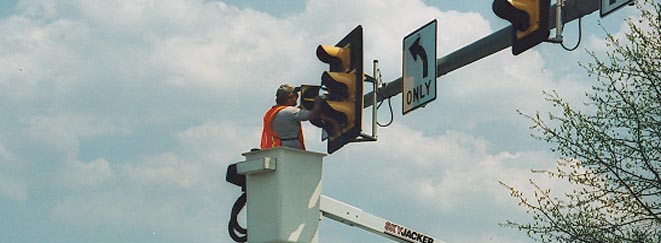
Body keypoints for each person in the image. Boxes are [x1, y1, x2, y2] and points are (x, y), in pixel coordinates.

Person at [260, 84, 322, 150]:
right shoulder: (290, 112)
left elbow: (291, 114)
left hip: (277, 148)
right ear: (290, 97)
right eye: (296, 95)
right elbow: (314, 115)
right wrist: (319, 102)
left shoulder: (272, 112)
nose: (297, 98)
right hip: (291, 151)